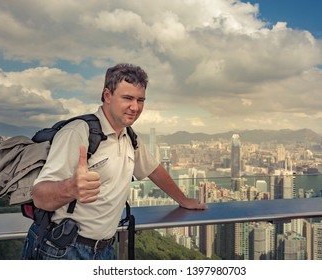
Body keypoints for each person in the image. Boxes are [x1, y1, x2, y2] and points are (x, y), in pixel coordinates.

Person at [21, 63, 207, 260]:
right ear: (107, 96)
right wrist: (71, 188)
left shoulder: (129, 137)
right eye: (127, 98)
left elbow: (154, 170)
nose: (135, 107)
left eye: (140, 100)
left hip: (106, 249)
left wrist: (183, 200)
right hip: (64, 250)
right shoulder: (78, 132)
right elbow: (39, 196)